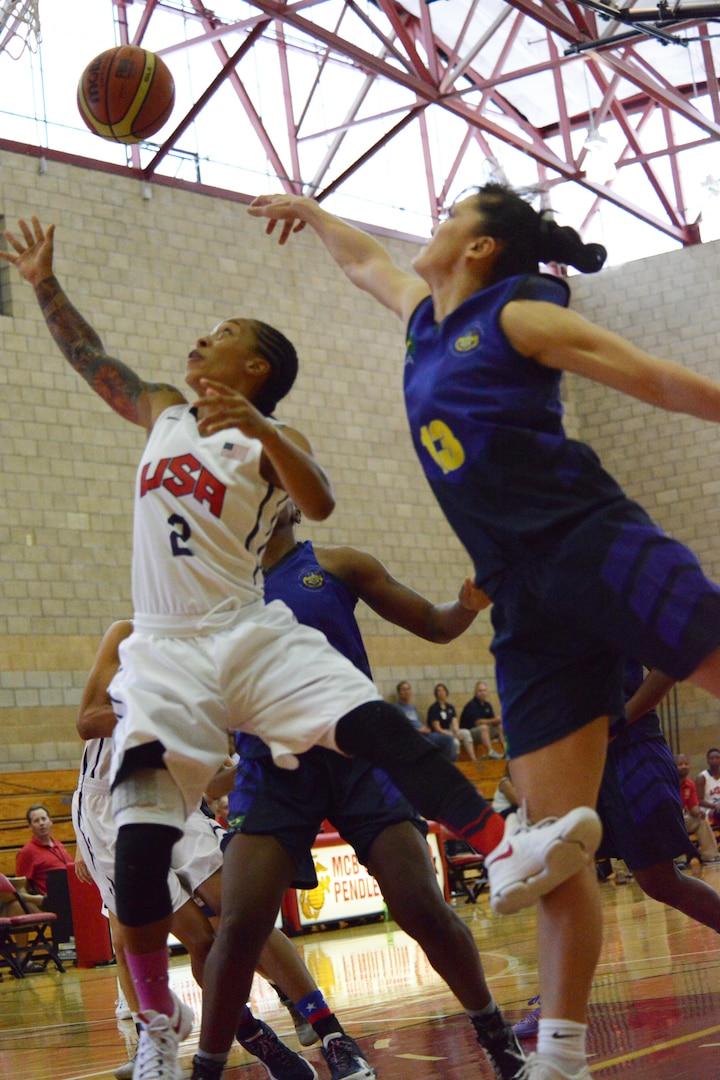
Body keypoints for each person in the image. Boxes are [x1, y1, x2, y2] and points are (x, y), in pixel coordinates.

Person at [2, 215, 523, 1080]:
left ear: (256, 371)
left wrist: (266, 429)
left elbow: (317, 500)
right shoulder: (165, 413)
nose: (202, 339)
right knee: (146, 872)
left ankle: (507, 854)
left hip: (251, 646)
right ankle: (169, 1031)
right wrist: (44, 283)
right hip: (181, 664)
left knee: (388, 750)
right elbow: (93, 358)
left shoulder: (278, 467)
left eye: (226, 336)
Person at [248, 182, 720, 1080]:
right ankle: (562, 1061)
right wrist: (310, 214)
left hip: (594, 544)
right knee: (552, 846)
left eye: (452, 215)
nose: (435, 223)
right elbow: (366, 265)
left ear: (481, 249)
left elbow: (652, 380)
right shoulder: (426, 317)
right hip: (522, 598)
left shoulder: (518, 319)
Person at [192, 501, 523, 1080]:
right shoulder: (221, 587)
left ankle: (495, 1034)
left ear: (291, 502)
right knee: (241, 927)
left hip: (357, 756)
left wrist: (468, 603)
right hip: (272, 768)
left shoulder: (341, 564)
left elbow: (436, 624)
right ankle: (208, 1068)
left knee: (421, 904)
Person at [73, 618, 343, 1080]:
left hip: (178, 801)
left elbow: (221, 772)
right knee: (198, 939)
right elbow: (88, 721)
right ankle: (258, 1040)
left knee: (239, 910)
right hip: (110, 806)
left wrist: (266, 759)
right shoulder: (127, 635)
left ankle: (319, 1018)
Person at [514, 663, 720, 1043]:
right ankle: (557, 1003)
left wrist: (619, 720)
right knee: (561, 878)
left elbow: (670, 659)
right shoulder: (541, 613)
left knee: (659, 881)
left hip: (630, 747)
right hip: (574, 756)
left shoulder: (613, 603)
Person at [16, 804, 74, 898]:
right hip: (50, 902)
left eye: (44, 819)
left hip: (72, 896)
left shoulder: (59, 845)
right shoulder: (27, 852)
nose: (41, 823)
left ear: (50, 821)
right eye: (36, 821)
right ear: (30, 826)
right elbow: (21, 886)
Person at [394, 680, 457, 760]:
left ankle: (450, 765)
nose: (407, 692)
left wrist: (425, 728)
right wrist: (419, 730)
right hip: (414, 737)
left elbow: (418, 722)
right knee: (447, 740)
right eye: (404, 690)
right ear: (399, 692)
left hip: (425, 734)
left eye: (408, 689)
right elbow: (403, 727)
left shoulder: (413, 707)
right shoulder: (397, 708)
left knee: (448, 739)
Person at [676, 753, 720, 865]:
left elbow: (693, 807)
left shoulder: (690, 784)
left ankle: (710, 855)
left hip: (683, 818)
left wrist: (698, 813)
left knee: (701, 821)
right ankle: (677, 860)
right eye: (680, 764)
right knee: (674, 822)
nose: (684, 766)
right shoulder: (668, 783)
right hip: (667, 820)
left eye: (686, 764)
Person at [428, 683, 476, 760]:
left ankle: (473, 759)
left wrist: (456, 732)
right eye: (439, 691)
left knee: (466, 733)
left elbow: (455, 722)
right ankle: (456, 762)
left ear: (446, 692)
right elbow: (437, 728)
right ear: (436, 694)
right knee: (455, 742)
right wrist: (452, 735)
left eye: (443, 690)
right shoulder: (434, 708)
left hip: (450, 730)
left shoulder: (450, 707)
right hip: (440, 733)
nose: (441, 693)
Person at [460, 681, 505, 759]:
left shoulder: (488, 705)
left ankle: (506, 750)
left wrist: (497, 721)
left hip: (483, 732)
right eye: (480, 691)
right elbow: (478, 722)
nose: (482, 693)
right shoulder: (471, 705)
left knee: (500, 726)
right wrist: (493, 720)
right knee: (484, 727)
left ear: (487, 692)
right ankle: (491, 752)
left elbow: (492, 721)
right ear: (475, 692)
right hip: (470, 733)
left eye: (484, 690)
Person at [696, 748, 720, 824]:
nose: (715, 760)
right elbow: (699, 801)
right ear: (708, 761)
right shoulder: (702, 777)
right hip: (707, 810)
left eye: (717, 758)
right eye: (712, 758)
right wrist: (715, 806)